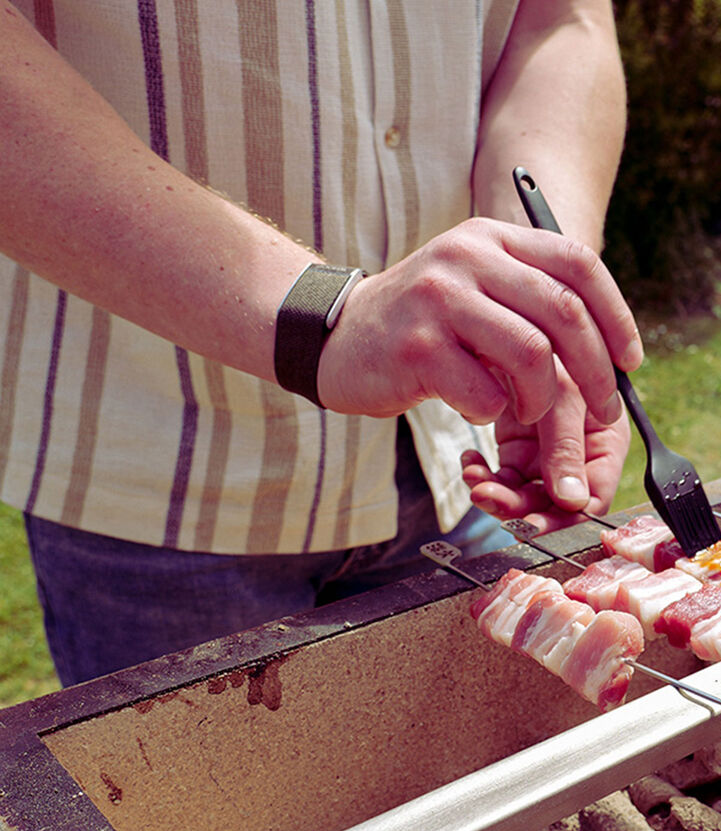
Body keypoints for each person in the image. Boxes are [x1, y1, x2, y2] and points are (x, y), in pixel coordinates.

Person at [0, 0, 640, 686]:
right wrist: (324, 315)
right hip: (157, 486)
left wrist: (532, 304)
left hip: (456, 465)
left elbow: (559, 21)